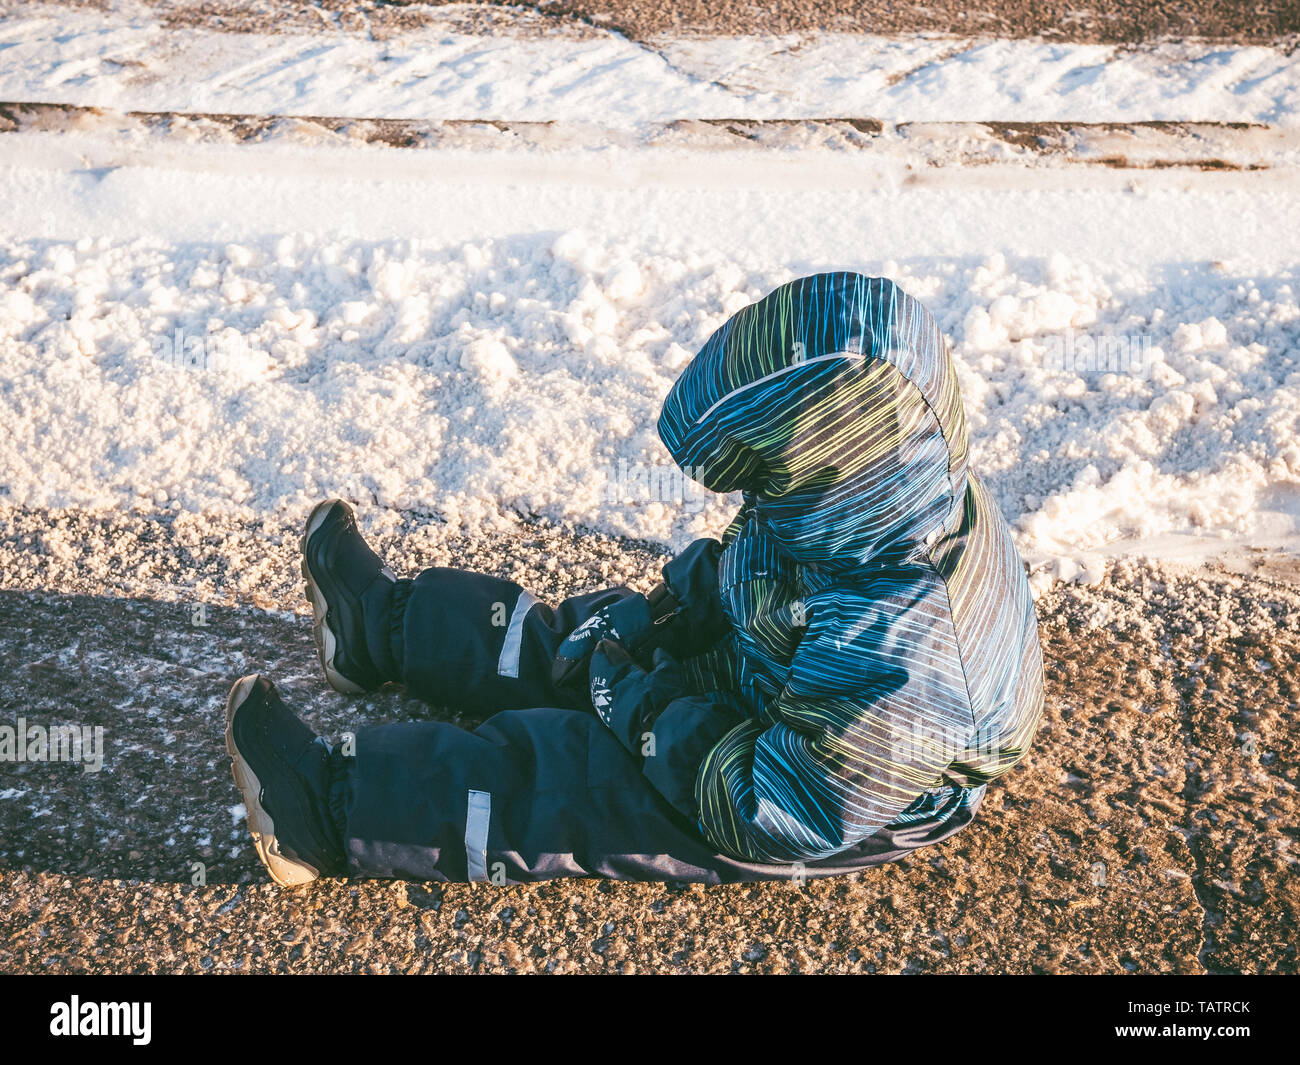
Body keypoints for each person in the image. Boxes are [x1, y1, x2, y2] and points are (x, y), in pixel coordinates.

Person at [224, 271, 1045, 887]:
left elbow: (783, 812)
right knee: (589, 637)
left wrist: (648, 714)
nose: (752, 498)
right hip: (795, 672)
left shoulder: (914, 650)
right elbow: (761, 555)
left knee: (580, 777)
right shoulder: (871, 496)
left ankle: (325, 812)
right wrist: (678, 609)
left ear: (829, 474)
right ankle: (384, 629)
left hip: (822, 783)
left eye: (767, 480)